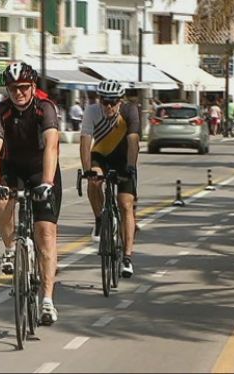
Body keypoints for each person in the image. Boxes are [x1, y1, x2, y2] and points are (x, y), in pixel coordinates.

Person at [0, 62, 61, 325]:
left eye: (23, 88)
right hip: (13, 166)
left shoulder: (45, 108)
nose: (18, 93)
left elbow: (51, 147)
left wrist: (48, 182)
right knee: (0, 198)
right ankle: (9, 248)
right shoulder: (1, 111)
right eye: (13, 88)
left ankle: (47, 300)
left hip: (42, 170)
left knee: (46, 233)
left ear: (33, 87)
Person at [79, 79, 140, 278]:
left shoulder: (130, 111)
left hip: (124, 158)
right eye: (104, 101)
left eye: (112, 102)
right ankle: (99, 219)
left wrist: (131, 167)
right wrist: (87, 170)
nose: (108, 106)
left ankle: (128, 258)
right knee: (94, 181)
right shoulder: (91, 111)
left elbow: (133, 143)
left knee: (125, 204)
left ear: (119, 102)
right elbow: (85, 142)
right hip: (102, 156)